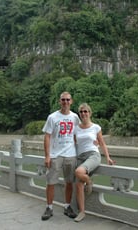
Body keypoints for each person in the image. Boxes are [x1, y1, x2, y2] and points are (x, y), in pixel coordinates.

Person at [41, 91, 80, 221]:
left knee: (69, 182)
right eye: (63, 100)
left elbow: (78, 134)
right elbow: (47, 137)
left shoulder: (75, 117)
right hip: (55, 155)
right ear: (59, 101)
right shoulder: (52, 117)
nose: (65, 102)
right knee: (51, 182)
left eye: (68, 100)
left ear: (71, 101)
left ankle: (67, 206)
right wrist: (47, 156)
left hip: (71, 154)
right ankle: (49, 207)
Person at [74, 103, 115, 222]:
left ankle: (89, 181)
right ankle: (82, 212)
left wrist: (108, 158)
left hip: (93, 155)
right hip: (80, 157)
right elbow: (74, 143)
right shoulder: (76, 128)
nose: (83, 114)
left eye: (86, 111)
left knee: (79, 171)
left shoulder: (96, 127)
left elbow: (102, 143)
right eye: (81, 112)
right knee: (79, 185)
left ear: (90, 113)